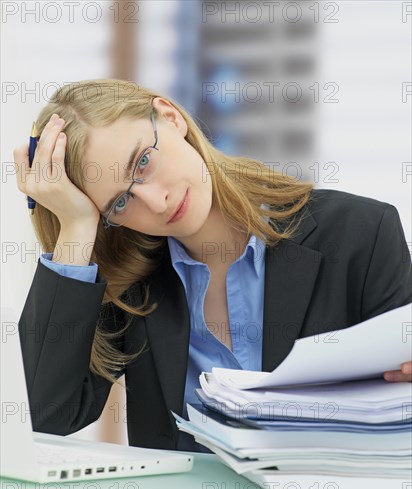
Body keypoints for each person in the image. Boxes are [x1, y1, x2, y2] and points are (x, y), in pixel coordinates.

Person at [14, 79, 412, 452]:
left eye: (144, 162)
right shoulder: (132, 286)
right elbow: (52, 415)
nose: (156, 202)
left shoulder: (360, 233)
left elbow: (398, 409)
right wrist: (77, 225)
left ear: (170, 117)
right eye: (120, 202)